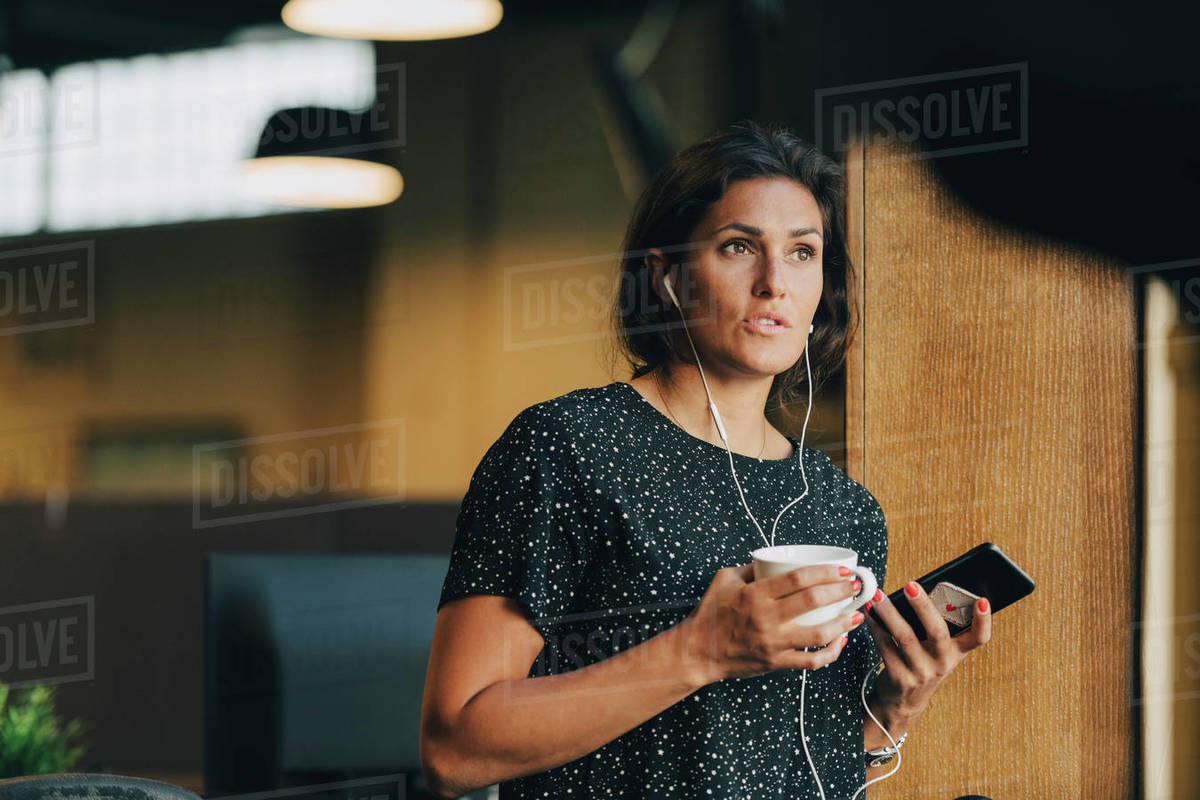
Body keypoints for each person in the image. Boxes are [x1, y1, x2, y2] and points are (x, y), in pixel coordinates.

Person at [420, 120, 992, 800]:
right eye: (738, 247)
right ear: (668, 277)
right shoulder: (567, 447)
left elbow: (806, 757)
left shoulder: (846, 508)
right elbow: (454, 747)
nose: (773, 282)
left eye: (803, 253)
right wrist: (702, 650)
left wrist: (895, 706)